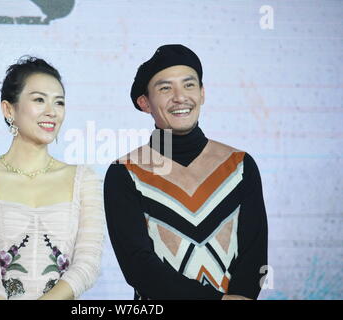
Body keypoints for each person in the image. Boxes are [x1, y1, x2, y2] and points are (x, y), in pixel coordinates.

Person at [104, 44, 268, 300]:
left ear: (202, 94)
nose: (180, 97)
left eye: (189, 85)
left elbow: (254, 253)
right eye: (165, 88)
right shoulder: (125, 173)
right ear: (144, 102)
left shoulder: (239, 164)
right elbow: (138, 266)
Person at [0, 56, 105, 300]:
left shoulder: (84, 179)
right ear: (8, 109)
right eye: (39, 100)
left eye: (59, 103)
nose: (51, 112)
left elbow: (87, 265)